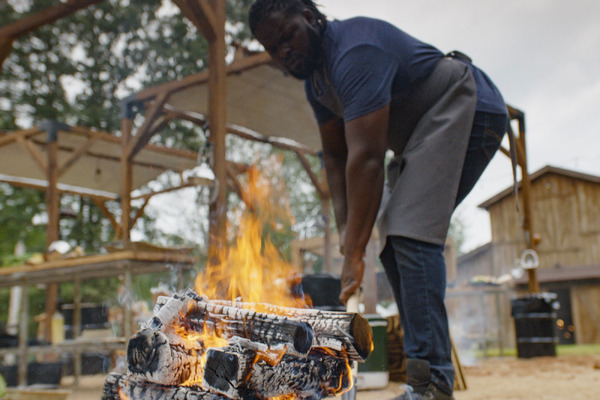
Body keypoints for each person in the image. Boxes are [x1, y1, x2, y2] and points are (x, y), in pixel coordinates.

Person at [249, 1, 508, 399]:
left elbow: (366, 159)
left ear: (310, 16)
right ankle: (426, 377)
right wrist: (344, 233)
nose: (284, 52)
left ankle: (432, 383)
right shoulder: (316, 83)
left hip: (468, 106)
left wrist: (354, 253)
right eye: (273, 48)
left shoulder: (355, 53)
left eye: (288, 36)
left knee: (409, 232)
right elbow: (335, 157)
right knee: (392, 242)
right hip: (422, 132)